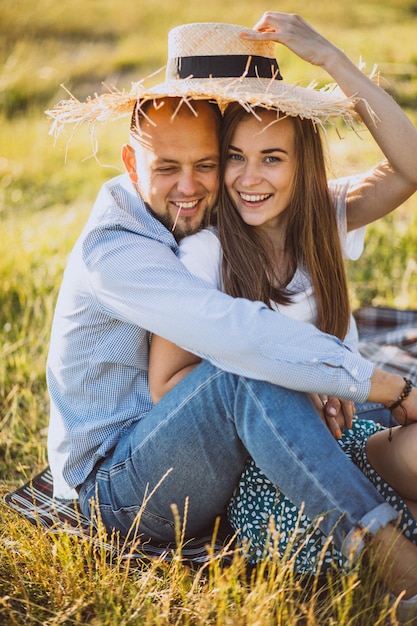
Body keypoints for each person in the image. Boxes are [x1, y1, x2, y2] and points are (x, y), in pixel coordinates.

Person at [45, 13, 417, 616]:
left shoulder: (250, 211)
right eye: (167, 168)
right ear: (130, 162)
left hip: (220, 434)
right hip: (116, 477)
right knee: (249, 373)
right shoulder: (119, 253)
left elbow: (409, 166)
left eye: (206, 163)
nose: (192, 187)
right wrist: (365, 382)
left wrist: (331, 59)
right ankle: (382, 552)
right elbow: (236, 340)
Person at [149, 102, 417, 575]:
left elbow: (410, 166)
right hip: (276, 467)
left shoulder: (324, 217)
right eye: (235, 157)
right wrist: (294, 377)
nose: (249, 178)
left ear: (302, 165)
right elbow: (168, 386)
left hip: (352, 430)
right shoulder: (206, 254)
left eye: (271, 158)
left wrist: (333, 62)